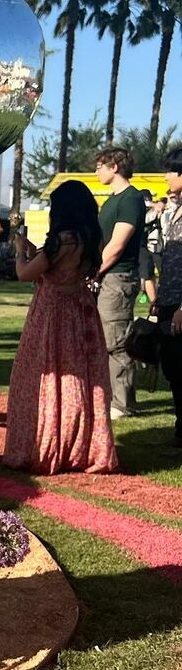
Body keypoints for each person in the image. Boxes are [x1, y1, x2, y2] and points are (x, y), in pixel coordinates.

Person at [3, 181, 119, 474]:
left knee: (46, 376)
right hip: (80, 311)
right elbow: (59, 268)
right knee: (81, 377)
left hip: (52, 313)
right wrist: (36, 252)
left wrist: (20, 251)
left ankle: (49, 445)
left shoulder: (62, 241)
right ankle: (82, 445)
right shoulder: (90, 239)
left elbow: (24, 273)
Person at [94, 147, 145, 419]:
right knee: (104, 338)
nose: (96, 171)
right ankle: (111, 397)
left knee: (116, 341)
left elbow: (117, 245)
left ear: (115, 166)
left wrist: (95, 270)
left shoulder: (131, 199)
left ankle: (122, 404)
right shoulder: (111, 200)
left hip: (118, 277)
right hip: (107, 276)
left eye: (100, 166)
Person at [149, 147, 182, 447]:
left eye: (170, 171)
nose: (166, 177)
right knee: (172, 366)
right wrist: (159, 297)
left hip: (180, 304)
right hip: (168, 298)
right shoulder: (174, 213)